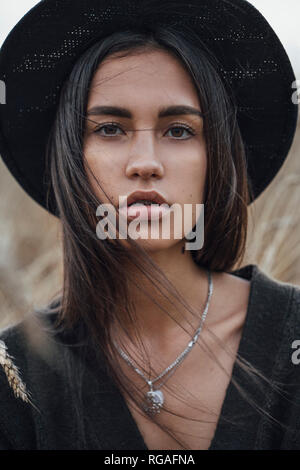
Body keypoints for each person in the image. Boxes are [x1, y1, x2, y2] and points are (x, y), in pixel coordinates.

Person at [0, 0, 299, 451]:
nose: (145, 164)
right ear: (69, 161)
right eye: (109, 129)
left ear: (218, 157)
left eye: (179, 130)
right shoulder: (14, 373)